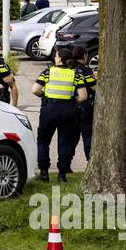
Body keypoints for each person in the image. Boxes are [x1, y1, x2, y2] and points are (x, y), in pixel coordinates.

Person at [31, 46, 87, 183]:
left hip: (49, 108)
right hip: (68, 109)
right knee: (65, 142)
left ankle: (44, 172)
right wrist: (72, 100)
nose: (55, 58)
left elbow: (35, 90)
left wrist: (44, 95)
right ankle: (62, 174)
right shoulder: (75, 74)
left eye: (56, 56)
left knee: (43, 141)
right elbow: (83, 96)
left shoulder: (48, 72)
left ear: (60, 58)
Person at [72, 45, 96, 165]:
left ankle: (66, 164)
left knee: (71, 136)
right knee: (87, 136)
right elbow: (94, 87)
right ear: (84, 56)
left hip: (70, 106)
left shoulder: (69, 68)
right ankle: (90, 161)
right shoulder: (86, 70)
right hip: (85, 106)